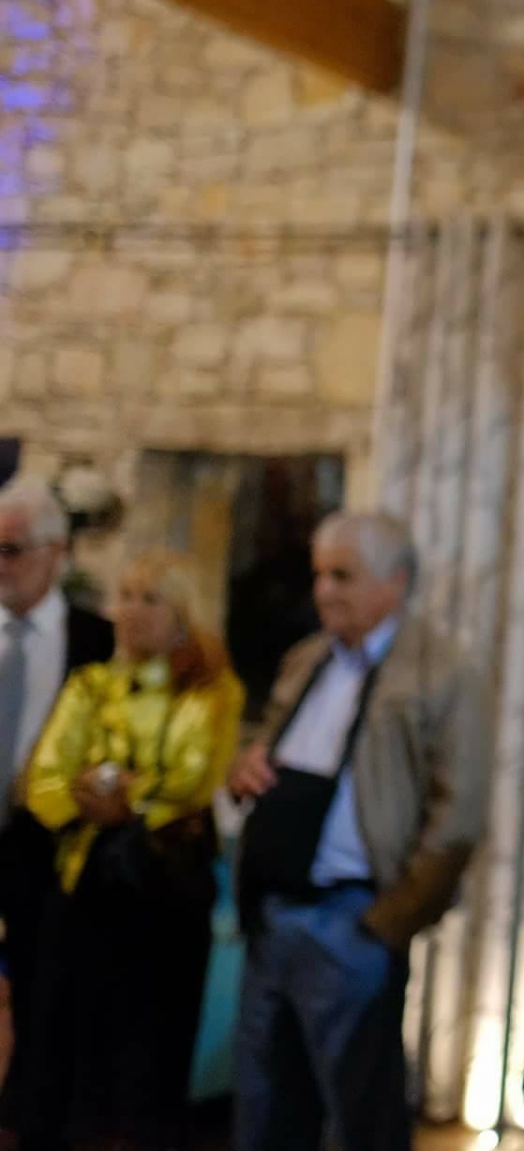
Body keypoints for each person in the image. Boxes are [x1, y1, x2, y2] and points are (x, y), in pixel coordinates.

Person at [226, 511, 491, 1151]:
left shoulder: (442, 672)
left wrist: (389, 923)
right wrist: (246, 770)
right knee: (264, 1105)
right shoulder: (307, 659)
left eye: (343, 576)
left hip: (353, 920)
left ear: (394, 582)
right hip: (275, 914)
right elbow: (263, 751)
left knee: (360, 1113)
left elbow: (459, 815)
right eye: (319, 575)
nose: (324, 592)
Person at [16, 551, 243, 1150]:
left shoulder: (211, 691)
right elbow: (43, 779)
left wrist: (127, 801)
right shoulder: (90, 683)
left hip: (161, 893)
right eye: (126, 596)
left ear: (182, 614)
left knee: (150, 1061)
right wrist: (88, 798)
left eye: (150, 599)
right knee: (69, 1052)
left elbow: (192, 776)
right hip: (84, 882)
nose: (131, 612)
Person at [0, 477, 112, 1121]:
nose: (2, 565)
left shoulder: (96, 642)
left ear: (56, 552)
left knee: (47, 1001)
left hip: (50, 849)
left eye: (13, 550)